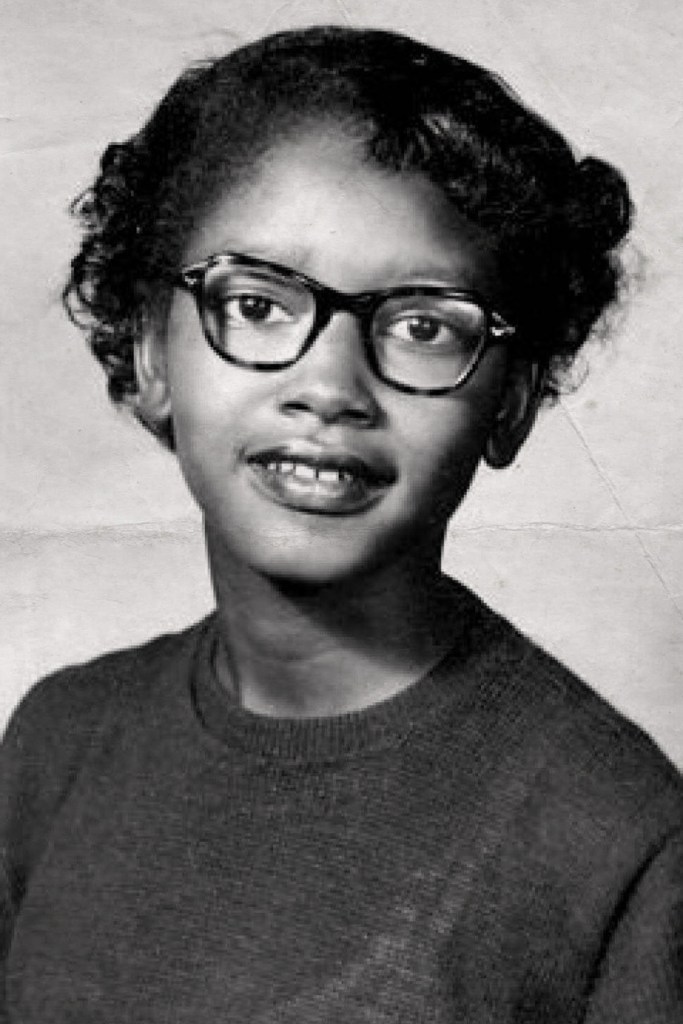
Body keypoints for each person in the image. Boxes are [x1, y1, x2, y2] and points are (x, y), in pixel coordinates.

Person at [1, 23, 681, 1023]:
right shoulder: (55, 743)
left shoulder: (621, 843)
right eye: (261, 303)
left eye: (420, 324)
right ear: (150, 354)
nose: (328, 385)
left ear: (511, 401)